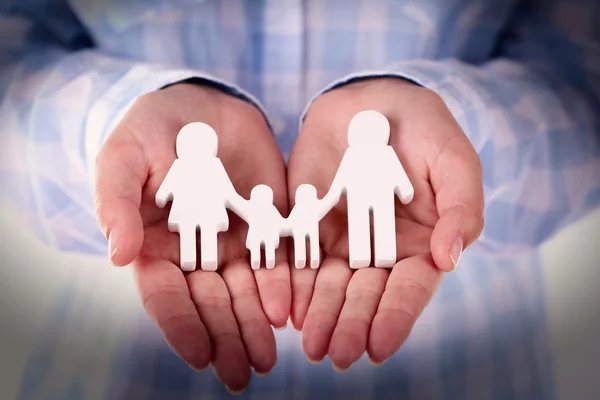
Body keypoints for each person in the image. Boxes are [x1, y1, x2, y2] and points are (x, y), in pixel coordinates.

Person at [1, 0, 599, 397]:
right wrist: (110, 126)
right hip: (120, 343)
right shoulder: (194, 169)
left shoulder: (382, 155)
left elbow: (582, 72)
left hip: (457, 334)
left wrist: (463, 134)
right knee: (207, 244)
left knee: (369, 234)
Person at [319, 110, 415, 268]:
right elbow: (342, 177)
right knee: (362, 224)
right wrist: (405, 190)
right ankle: (364, 255)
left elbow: (397, 173)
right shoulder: (355, 154)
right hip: (366, 196)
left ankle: (378, 254)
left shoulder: (381, 153)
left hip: (372, 196)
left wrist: (405, 189)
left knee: (378, 224)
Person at [155, 122, 248, 272]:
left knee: (205, 232)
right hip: (194, 210)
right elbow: (168, 185)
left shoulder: (211, 165)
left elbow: (226, 190)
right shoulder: (181, 165)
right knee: (191, 234)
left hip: (200, 210)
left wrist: (162, 196)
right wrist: (162, 196)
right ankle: (192, 259)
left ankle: (206, 259)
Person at [243, 184, 286, 270]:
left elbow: (279, 221)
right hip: (264, 235)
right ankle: (261, 261)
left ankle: (262, 261)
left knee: (265, 249)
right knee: (260, 249)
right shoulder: (269, 209)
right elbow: (280, 221)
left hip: (264, 234)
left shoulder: (267, 209)